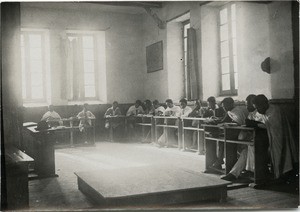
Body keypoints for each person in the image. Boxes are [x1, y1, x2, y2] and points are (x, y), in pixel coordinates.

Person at [221, 94, 267, 181]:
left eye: (249, 104)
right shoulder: (252, 114)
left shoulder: (263, 113)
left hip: (265, 143)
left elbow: (267, 127)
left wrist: (255, 125)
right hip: (255, 141)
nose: (247, 107)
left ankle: (249, 171)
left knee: (249, 147)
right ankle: (234, 173)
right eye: (246, 105)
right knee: (245, 151)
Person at [252, 94, 298, 180]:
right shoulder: (267, 110)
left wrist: (255, 124)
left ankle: (280, 176)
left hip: (280, 137)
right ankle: (277, 174)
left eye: (258, 107)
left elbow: (271, 126)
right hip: (274, 136)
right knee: (276, 154)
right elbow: (267, 123)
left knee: (281, 153)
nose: (257, 110)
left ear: (264, 104)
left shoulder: (274, 111)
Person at [210, 97, 249, 169]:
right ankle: (219, 161)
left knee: (225, 141)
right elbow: (223, 120)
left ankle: (224, 163)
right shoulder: (230, 111)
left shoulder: (236, 111)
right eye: (223, 106)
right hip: (234, 133)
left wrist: (227, 123)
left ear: (231, 104)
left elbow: (239, 122)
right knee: (221, 141)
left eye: (225, 106)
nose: (224, 108)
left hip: (243, 133)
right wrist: (216, 120)